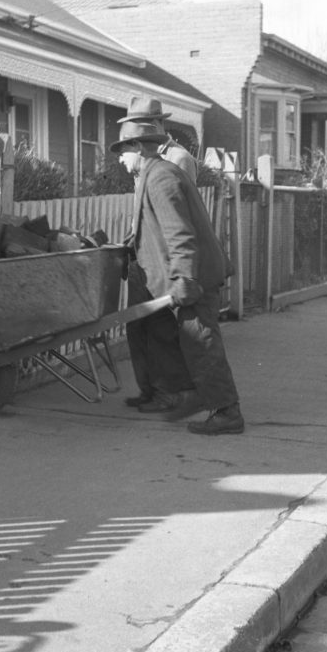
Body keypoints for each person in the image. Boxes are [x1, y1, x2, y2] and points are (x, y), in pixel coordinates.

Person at [112, 119, 245, 436]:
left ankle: (228, 413)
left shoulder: (161, 179)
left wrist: (184, 280)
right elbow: (155, 230)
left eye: (123, 151)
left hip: (196, 274)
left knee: (201, 341)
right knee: (188, 339)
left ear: (138, 148)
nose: (120, 159)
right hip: (190, 273)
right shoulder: (153, 175)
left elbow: (180, 234)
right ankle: (195, 397)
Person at [117, 96, 199, 184]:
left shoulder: (180, 158)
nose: (139, 131)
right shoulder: (142, 156)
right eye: (134, 126)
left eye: (144, 124)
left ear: (160, 122)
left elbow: (184, 196)